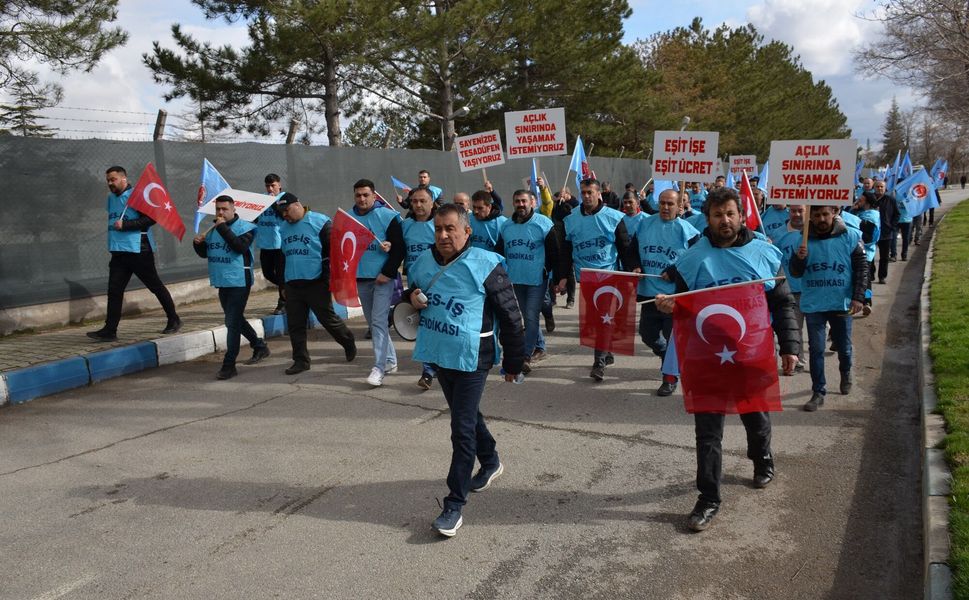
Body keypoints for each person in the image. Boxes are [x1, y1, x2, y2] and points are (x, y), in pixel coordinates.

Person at [656, 187, 799, 532]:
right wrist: (671, 307)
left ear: (741, 215)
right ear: (707, 219)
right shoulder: (692, 258)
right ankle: (708, 499)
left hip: (751, 352)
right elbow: (683, 305)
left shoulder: (764, 254)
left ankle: (762, 459)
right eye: (718, 215)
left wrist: (790, 346)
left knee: (756, 416)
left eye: (730, 214)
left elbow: (782, 303)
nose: (725, 220)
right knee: (708, 433)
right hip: (707, 356)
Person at [403, 204, 525, 537]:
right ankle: (491, 461)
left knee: (461, 427)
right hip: (440, 354)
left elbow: (513, 318)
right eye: (438, 229)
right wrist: (411, 295)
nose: (442, 235)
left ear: (466, 231)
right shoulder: (423, 262)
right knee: (466, 414)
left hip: (474, 358)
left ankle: (453, 505)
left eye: (450, 229)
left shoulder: (486, 265)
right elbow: (408, 292)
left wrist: (514, 364)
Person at [557, 178, 639, 381]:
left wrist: (632, 269)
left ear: (598, 194)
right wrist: (561, 277)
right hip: (586, 278)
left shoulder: (613, 217)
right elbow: (566, 251)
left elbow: (624, 246)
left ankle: (598, 363)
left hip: (609, 277)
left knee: (604, 319)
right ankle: (606, 351)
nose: (586, 196)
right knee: (595, 321)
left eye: (590, 193)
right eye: (583, 193)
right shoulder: (571, 219)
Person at [87, 166, 181, 341]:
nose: (110, 183)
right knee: (114, 291)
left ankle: (174, 319)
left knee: (155, 286)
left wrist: (127, 225)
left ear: (124, 178)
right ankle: (110, 330)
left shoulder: (137, 195)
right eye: (108, 180)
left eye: (113, 179)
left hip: (139, 250)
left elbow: (151, 219)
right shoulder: (111, 198)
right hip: (118, 251)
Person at [788, 205, 868, 411]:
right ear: (811, 218)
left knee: (845, 347)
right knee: (816, 349)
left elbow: (862, 268)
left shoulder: (850, 236)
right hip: (814, 303)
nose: (822, 218)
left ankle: (845, 371)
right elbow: (795, 273)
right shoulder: (802, 239)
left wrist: (859, 297)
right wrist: (799, 258)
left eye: (825, 214)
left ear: (833, 213)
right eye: (816, 215)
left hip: (840, 302)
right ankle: (818, 391)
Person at [276, 192, 356, 373]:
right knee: (295, 324)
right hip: (293, 283)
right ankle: (301, 361)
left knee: (327, 319)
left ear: (297, 205)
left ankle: (347, 340)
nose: (284, 215)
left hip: (316, 281)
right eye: (281, 212)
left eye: (286, 210)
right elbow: (282, 258)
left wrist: (327, 279)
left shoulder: (320, 222)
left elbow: (332, 253)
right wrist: (282, 285)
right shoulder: (283, 228)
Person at [192, 195, 270, 379]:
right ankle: (259, 346)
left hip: (239, 281)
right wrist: (198, 244)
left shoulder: (246, 227)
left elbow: (239, 247)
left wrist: (222, 227)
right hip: (222, 280)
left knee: (232, 322)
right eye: (218, 209)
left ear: (234, 210)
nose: (220, 212)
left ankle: (229, 365)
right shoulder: (213, 230)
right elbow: (206, 253)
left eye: (224, 209)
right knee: (234, 319)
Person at [634, 189, 699, 395]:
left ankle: (670, 377)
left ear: (679, 206)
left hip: (673, 296)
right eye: (662, 203)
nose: (665, 207)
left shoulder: (687, 230)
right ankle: (666, 357)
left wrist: (674, 271)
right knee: (647, 335)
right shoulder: (645, 223)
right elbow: (631, 248)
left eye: (670, 204)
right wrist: (635, 265)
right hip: (649, 293)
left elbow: (697, 259)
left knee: (673, 339)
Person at [496, 189, 562, 374]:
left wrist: (550, 274)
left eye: (524, 201)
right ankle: (540, 346)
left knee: (531, 317)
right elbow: (499, 252)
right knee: (527, 317)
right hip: (516, 279)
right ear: (513, 203)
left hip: (536, 280)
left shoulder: (543, 223)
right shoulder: (506, 226)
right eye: (517, 201)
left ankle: (525, 356)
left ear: (532, 202)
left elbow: (554, 251)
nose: (521, 205)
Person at [351, 179, 405, 387]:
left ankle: (379, 368)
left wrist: (388, 272)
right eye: (358, 195)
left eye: (366, 195)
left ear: (374, 196)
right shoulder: (349, 217)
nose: (362, 199)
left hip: (383, 279)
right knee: (374, 323)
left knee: (378, 322)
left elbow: (399, 248)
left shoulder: (388, 216)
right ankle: (390, 361)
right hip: (361, 278)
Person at [401, 187, 438, 390]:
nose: (418, 205)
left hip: (440, 283)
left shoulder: (440, 225)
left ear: (432, 203)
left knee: (438, 326)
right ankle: (428, 371)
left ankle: (439, 365)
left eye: (422, 201)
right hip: (416, 285)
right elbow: (399, 251)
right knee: (424, 327)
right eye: (414, 201)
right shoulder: (405, 225)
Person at [772, 205, 808, 372]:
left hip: (812, 289)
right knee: (795, 327)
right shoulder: (778, 234)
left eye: (800, 210)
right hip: (790, 288)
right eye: (793, 211)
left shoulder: (813, 232)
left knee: (817, 331)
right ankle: (797, 360)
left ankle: (816, 360)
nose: (797, 214)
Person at [257, 174, 287, 315]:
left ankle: (283, 302)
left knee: (281, 275)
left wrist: (272, 203)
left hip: (280, 244)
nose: (270, 188)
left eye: (273, 185)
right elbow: (256, 218)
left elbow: (284, 216)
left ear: (279, 185)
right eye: (267, 186)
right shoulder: (261, 199)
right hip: (265, 243)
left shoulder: (285, 198)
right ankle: (289, 288)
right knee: (268, 273)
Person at [852, 194, 880, 315]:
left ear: (867, 202)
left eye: (861, 200)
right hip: (861, 251)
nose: (858, 201)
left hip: (865, 252)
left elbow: (867, 237)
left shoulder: (870, 217)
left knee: (865, 279)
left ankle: (867, 302)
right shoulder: (862, 214)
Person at [551, 188, 579, 309]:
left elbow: (577, 205)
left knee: (569, 272)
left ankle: (571, 299)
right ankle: (554, 296)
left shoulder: (572, 208)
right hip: (557, 243)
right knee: (556, 269)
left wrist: (569, 199)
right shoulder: (556, 208)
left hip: (570, 244)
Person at [870, 180, 899, 283]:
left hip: (886, 233)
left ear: (885, 188)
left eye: (882, 187)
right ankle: (870, 274)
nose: (879, 188)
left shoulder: (891, 200)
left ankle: (882, 276)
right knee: (870, 256)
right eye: (877, 186)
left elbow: (897, 214)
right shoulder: (869, 199)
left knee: (884, 257)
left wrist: (892, 227)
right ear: (874, 187)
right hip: (871, 233)